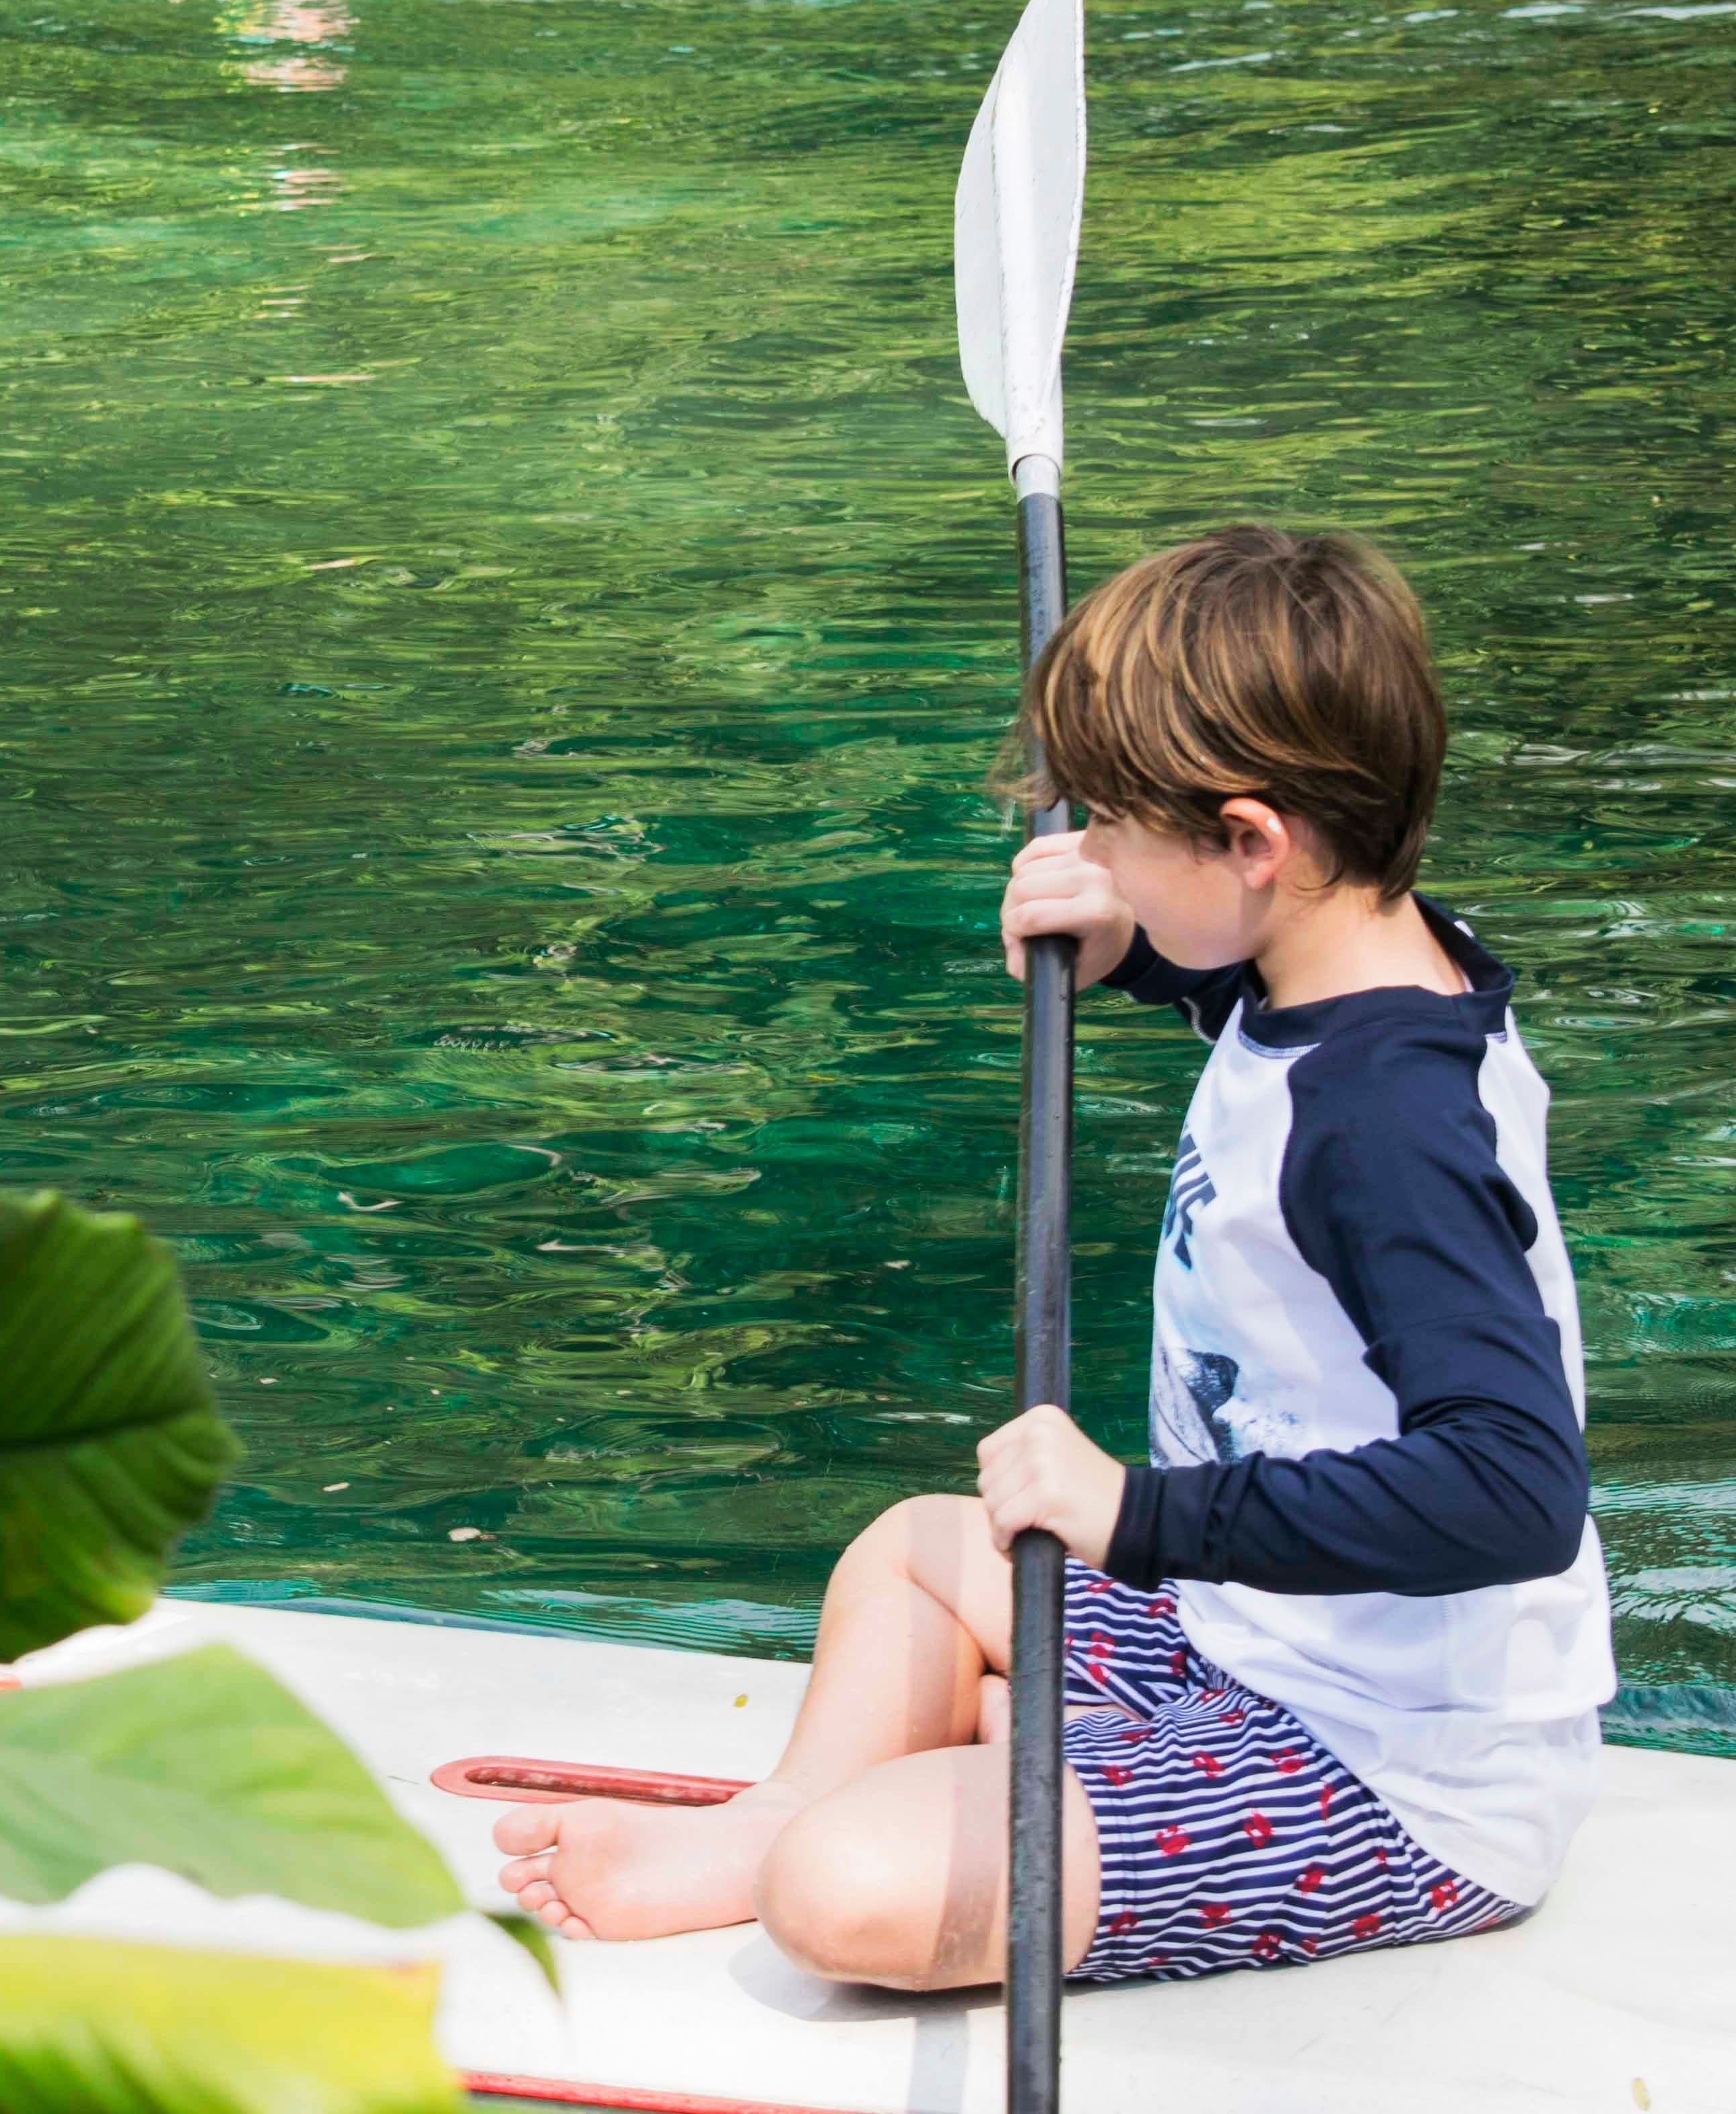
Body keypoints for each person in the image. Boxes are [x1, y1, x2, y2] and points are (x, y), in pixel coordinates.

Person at [495, 525, 1613, 1991]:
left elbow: (1515, 1489)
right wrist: (1143, 952)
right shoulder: (1354, 963)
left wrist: (1139, 1513)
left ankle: (821, 1838)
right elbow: (1265, 1013)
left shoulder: (1388, 1129)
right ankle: (778, 1814)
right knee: (913, 1549)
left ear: (1253, 840)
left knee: (847, 1896)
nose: (1087, 849)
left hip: (1390, 1772)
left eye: (1116, 828)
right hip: (1239, 1641)